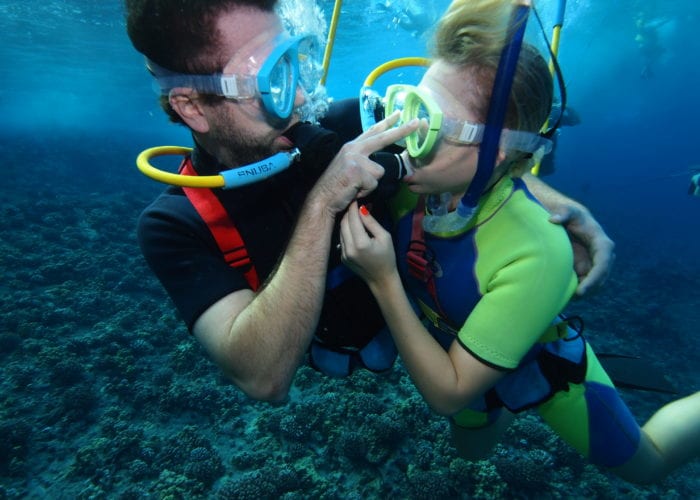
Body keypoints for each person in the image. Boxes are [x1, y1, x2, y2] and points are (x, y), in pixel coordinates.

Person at [125, 0, 614, 403]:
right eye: (269, 83)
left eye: (297, 61)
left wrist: (556, 203)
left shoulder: (344, 126)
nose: (299, 99)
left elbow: (464, 147)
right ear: (192, 106)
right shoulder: (176, 224)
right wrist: (322, 204)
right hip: (328, 346)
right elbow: (262, 378)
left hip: (413, 333)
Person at [340, 0, 699, 484]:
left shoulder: (539, 253)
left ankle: (526, 384)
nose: (402, 138)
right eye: (407, 107)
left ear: (498, 150)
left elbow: (448, 394)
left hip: (542, 370)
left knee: (646, 466)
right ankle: (502, 391)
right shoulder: (415, 180)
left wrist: (382, 280)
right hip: (455, 351)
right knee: (470, 453)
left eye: (425, 124)